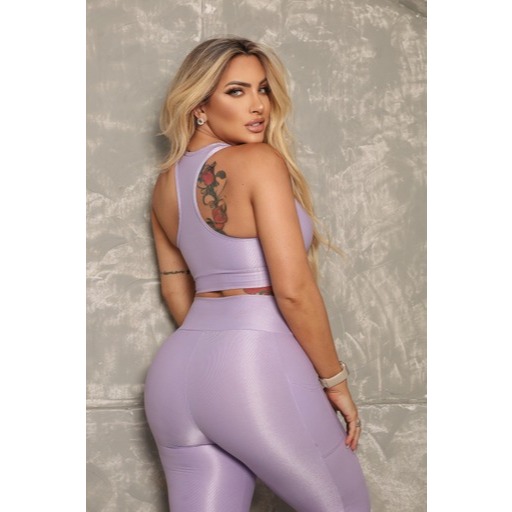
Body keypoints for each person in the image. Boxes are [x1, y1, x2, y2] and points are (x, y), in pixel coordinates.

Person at [144, 36, 371, 512]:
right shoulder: (259, 161)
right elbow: (294, 291)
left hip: (176, 376)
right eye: (237, 91)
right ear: (199, 105)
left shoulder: (165, 184)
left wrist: (215, 361)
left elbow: (175, 285)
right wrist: (335, 382)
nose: (258, 105)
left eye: (263, 89)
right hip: (252, 365)